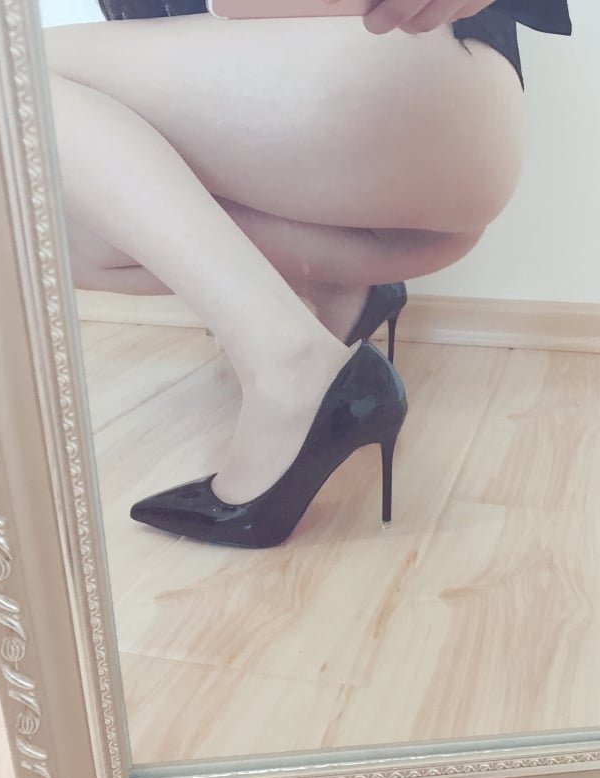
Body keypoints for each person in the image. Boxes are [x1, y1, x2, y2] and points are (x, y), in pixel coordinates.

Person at [43, 0, 573, 547]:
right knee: (66, 222)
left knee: (18, 80)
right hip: (413, 175)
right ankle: (340, 288)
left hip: (413, 70)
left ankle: (290, 363)